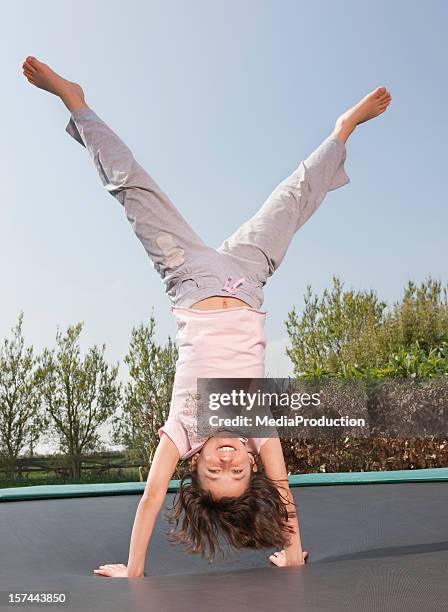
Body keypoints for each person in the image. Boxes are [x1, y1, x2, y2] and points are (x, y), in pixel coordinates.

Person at [22, 56, 391, 577]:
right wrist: (289, 550)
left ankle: (76, 102)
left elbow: (150, 502)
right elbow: (283, 493)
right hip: (247, 276)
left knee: (133, 188)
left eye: (215, 472)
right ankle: (342, 130)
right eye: (237, 471)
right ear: (248, 466)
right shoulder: (257, 428)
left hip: (187, 276)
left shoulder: (182, 431)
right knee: (293, 198)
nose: (227, 463)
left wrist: (133, 568)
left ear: (195, 468)